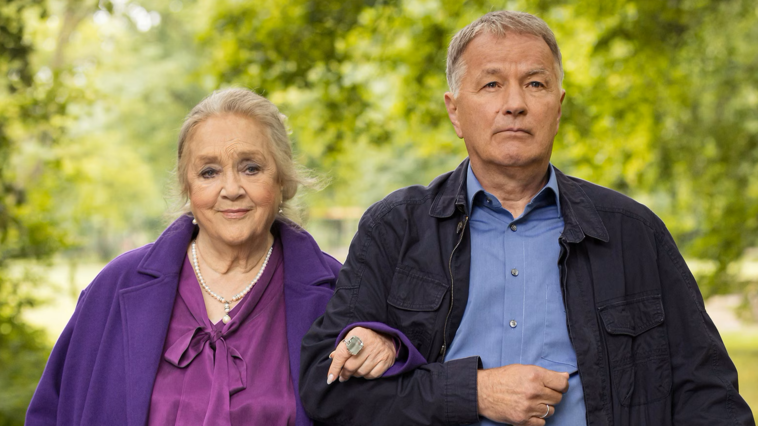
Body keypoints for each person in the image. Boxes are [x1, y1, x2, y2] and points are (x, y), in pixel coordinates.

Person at [300, 10, 756, 426]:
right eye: (492, 84)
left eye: (535, 84)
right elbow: (327, 391)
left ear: (558, 108)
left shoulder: (633, 233)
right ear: (454, 110)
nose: (514, 103)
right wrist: (472, 392)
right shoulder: (394, 228)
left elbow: (709, 396)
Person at [25, 88, 397, 426]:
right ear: (187, 185)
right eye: (209, 172)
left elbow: (395, 399)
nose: (231, 189)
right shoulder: (116, 286)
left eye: (251, 167)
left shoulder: (339, 291)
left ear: (282, 180)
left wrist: (389, 346)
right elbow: (51, 411)